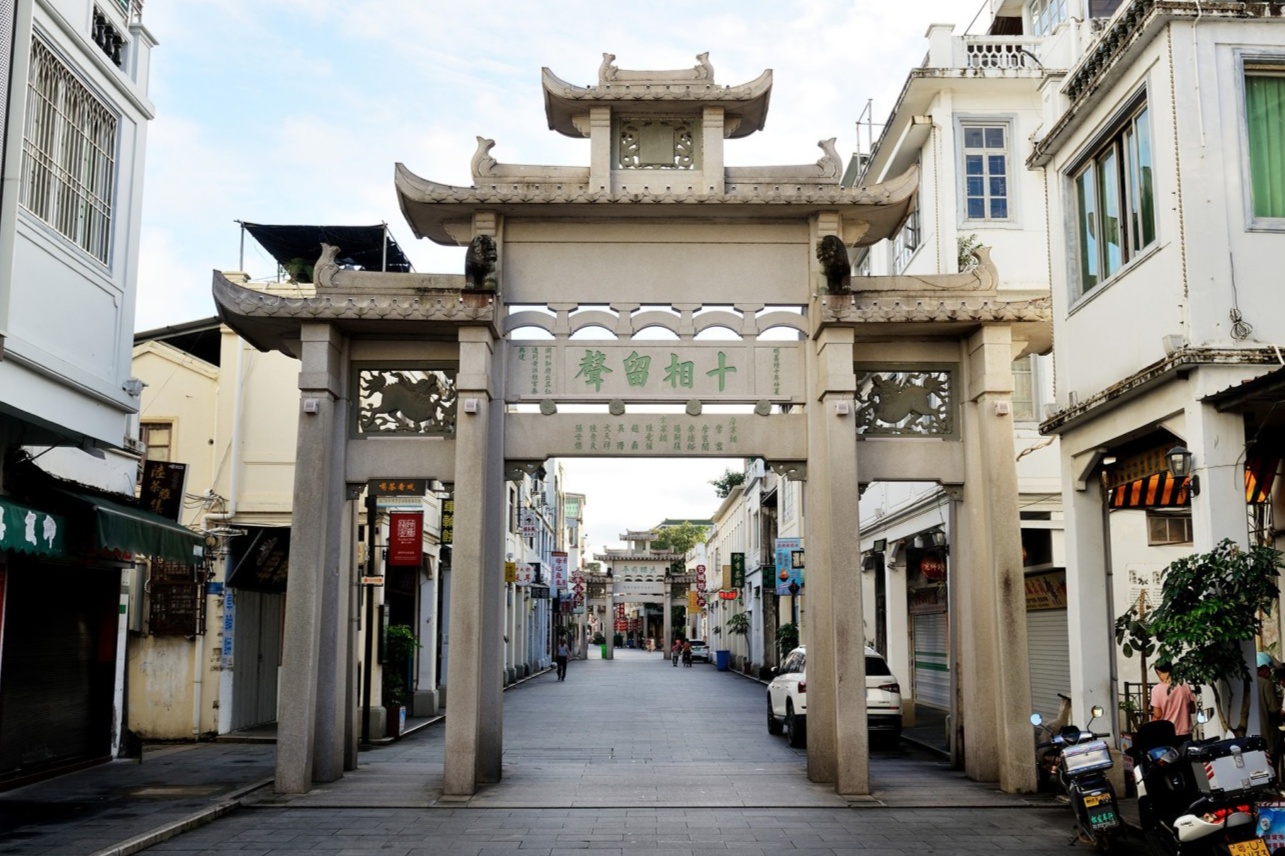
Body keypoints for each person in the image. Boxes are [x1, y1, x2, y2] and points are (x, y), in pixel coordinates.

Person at [1150, 661, 1196, 743]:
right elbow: (1192, 710)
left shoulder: (1156, 690)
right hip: (1185, 733)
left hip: (1167, 733)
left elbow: (1158, 714)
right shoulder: (1185, 686)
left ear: (1158, 671)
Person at [1256, 652, 1281, 760]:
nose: (1269, 673)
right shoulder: (1267, 684)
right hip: (1267, 737)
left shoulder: (1247, 683)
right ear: (1263, 669)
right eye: (1268, 669)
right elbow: (1274, 709)